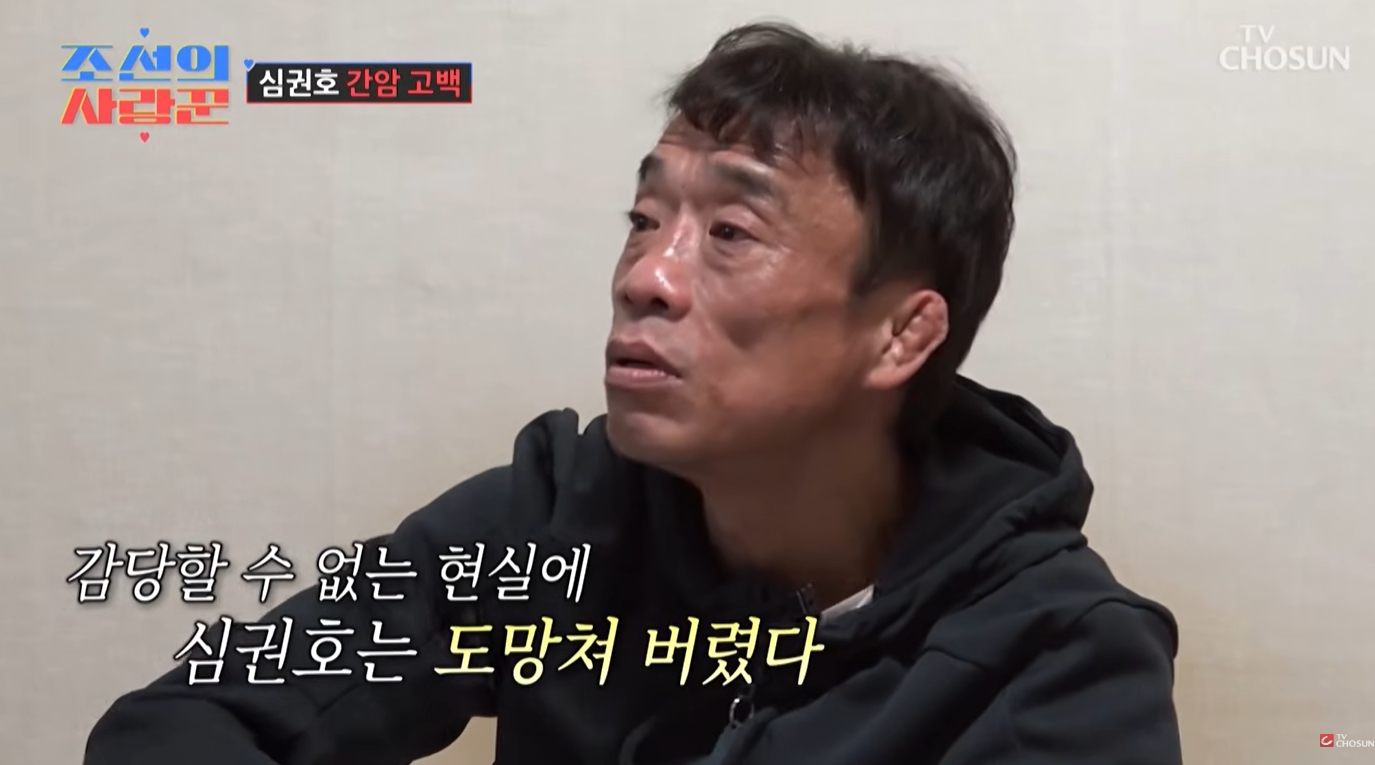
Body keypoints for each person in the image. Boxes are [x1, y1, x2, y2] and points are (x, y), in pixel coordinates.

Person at [85, 21, 1182, 765]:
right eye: (644, 219)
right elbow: (187, 722)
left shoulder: (1056, 656)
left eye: (731, 232)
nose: (645, 276)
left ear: (901, 332)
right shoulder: (553, 517)